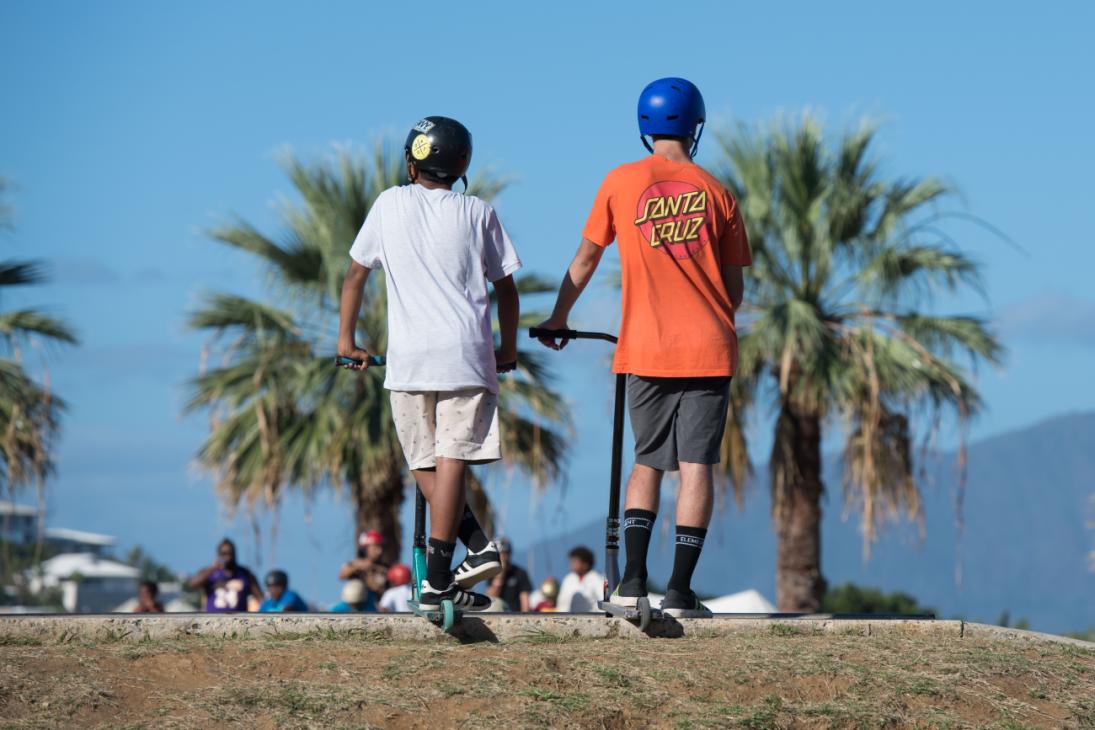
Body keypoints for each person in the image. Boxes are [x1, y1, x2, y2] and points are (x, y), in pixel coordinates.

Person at [537, 78, 750, 618]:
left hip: (646, 349)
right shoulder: (719, 193)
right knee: (696, 466)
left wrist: (559, 318)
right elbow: (736, 291)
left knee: (647, 463)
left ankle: (632, 582)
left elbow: (585, 261)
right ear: (695, 126)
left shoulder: (619, 182)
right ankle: (679, 591)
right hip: (709, 349)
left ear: (644, 126)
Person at [338, 116, 519, 612]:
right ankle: (455, 565)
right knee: (451, 458)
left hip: (410, 360)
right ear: (462, 164)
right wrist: (507, 349)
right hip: (467, 355)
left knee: (423, 461)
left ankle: (457, 564)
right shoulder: (478, 211)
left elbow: (356, 275)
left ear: (411, 162)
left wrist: (347, 341)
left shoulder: (388, 203)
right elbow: (506, 288)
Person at [187, 538, 264, 613]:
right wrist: (214, 568)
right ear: (218, 555)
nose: (227, 557)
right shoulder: (209, 573)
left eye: (230, 553)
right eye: (223, 554)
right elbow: (192, 584)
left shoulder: (245, 574)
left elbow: (260, 598)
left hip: (238, 622)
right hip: (212, 621)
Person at [485, 537, 532, 611]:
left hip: (514, 615)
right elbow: (491, 598)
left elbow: (525, 601)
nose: (503, 557)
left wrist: (524, 617)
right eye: (501, 553)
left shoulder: (520, 573)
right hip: (497, 613)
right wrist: (500, 575)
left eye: (506, 553)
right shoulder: (491, 573)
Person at [557, 546, 605, 613]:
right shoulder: (568, 579)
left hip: (591, 619)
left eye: (575, 561)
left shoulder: (597, 579)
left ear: (585, 564)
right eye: (571, 561)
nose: (572, 564)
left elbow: (603, 601)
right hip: (568, 618)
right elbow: (561, 603)